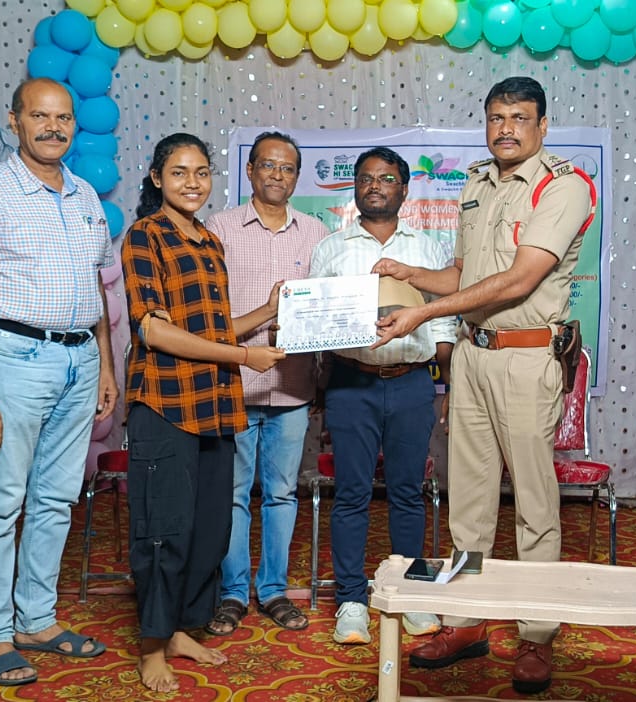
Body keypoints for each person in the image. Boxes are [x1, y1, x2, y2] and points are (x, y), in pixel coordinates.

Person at [370, 76, 592, 695]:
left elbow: (520, 281)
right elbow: (465, 274)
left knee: (535, 507)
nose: (505, 128)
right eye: (495, 117)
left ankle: (537, 635)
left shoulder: (563, 185)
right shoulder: (476, 184)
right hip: (471, 354)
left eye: (519, 118)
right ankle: (465, 620)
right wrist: (411, 275)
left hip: (527, 359)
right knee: (466, 501)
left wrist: (420, 314)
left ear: (543, 125)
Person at [0, 77, 118, 687]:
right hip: (12, 359)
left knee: (56, 500)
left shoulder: (86, 195)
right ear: (14, 121)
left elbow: (97, 291)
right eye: (39, 116)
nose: (53, 127)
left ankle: (37, 619)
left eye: (63, 118)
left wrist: (106, 365)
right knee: (2, 503)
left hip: (79, 362)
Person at [121, 133, 287, 693]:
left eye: (200, 172)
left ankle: (181, 629)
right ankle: (151, 645)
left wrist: (268, 311)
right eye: (178, 172)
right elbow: (154, 329)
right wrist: (245, 356)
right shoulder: (146, 235)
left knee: (209, 528)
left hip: (214, 404)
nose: (192, 182)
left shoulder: (209, 242)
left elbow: (212, 330)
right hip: (165, 403)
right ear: (155, 177)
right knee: (163, 531)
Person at [313, 148, 457, 645]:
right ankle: (351, 600)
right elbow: (316, 320)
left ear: (404, 189)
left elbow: (444, 316)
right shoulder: (331, 249)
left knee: (407, 494)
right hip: (352, 383)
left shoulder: (429, 247)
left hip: (415, 383)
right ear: (354, 189)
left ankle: (412, 596)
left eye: (387, 178)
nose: (376, 186)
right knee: (350, 494)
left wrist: (440, 384)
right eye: (366, 179)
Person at [204, 131, 329, 636]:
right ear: (251, 170)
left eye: (288, 168)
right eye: (268, 165)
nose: (278, 175)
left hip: (294, 387)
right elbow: (211, 320)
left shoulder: (316, 234)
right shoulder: (220, 229)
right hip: (235, 385)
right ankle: (233, 593)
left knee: (281, 494)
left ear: (296, 177)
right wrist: (269, 313)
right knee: (233, 495)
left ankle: (273, 589)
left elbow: (324, 310)